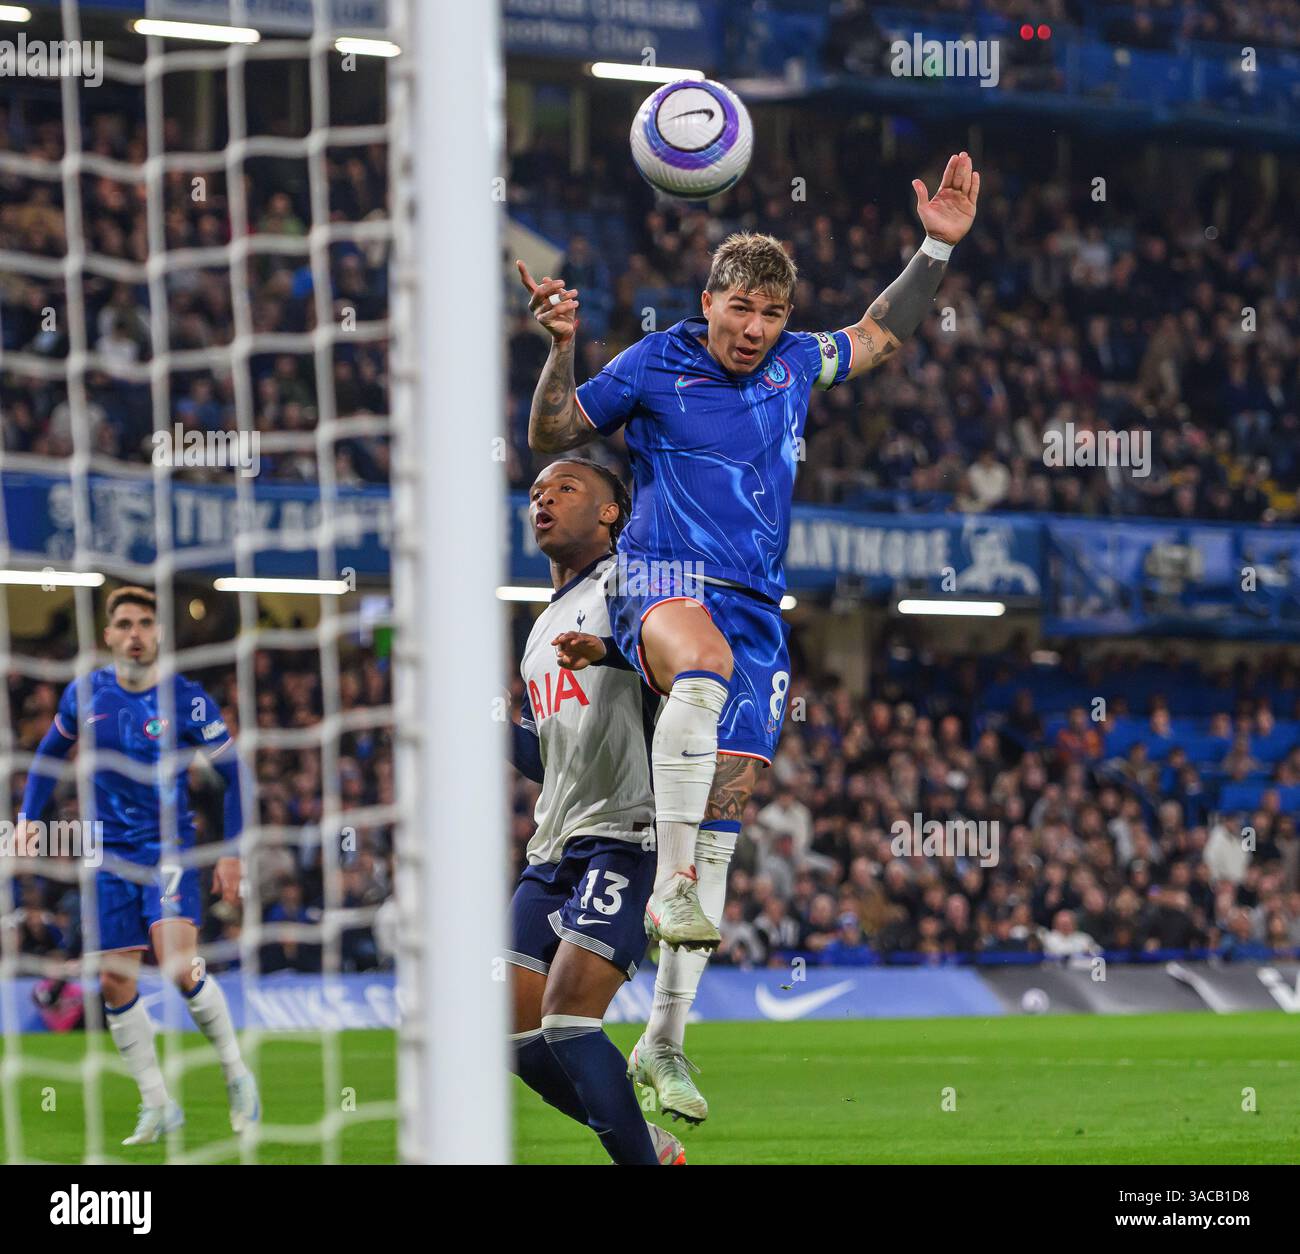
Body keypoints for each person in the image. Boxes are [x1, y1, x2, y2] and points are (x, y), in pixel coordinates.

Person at [518, 151, 980, 1120]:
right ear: (710, 300)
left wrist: (933, 246)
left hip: (759, 604)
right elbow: (557, 429)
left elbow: (880, 333)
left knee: (727, 826)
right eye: (742, 311)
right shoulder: (653, 361)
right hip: (663, 579)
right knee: (704, 671)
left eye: (770, 315)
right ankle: (665, 887)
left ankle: (666, 1043)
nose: (756, 330)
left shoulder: (793, 364)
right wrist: (559, 343)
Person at [17, 586, 258, 1145]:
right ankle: (158, 1104)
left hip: (169, 849)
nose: (134, 633)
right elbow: (50, 754)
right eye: (124, 623)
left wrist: (230, 849)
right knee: (113, 980)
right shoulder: (85, 693)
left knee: (178, 966)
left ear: (158, 634)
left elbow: (236, 776)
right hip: (108, 857)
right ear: (108, 635)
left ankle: (235, 1073)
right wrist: (30, 814)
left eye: (145, 623)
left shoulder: (188, 700)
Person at [507, 457, 684, 1165]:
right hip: (554, 849)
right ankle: (650, 1146)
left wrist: (612, 652)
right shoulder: (539, 627)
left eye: (566, 488)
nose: (544, 499)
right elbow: (553, 762)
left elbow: (685, 669)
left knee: (568, 1019)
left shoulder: (630, 582)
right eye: (536, 493)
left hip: (627, 835)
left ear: (611, 513)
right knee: (518, 1040)